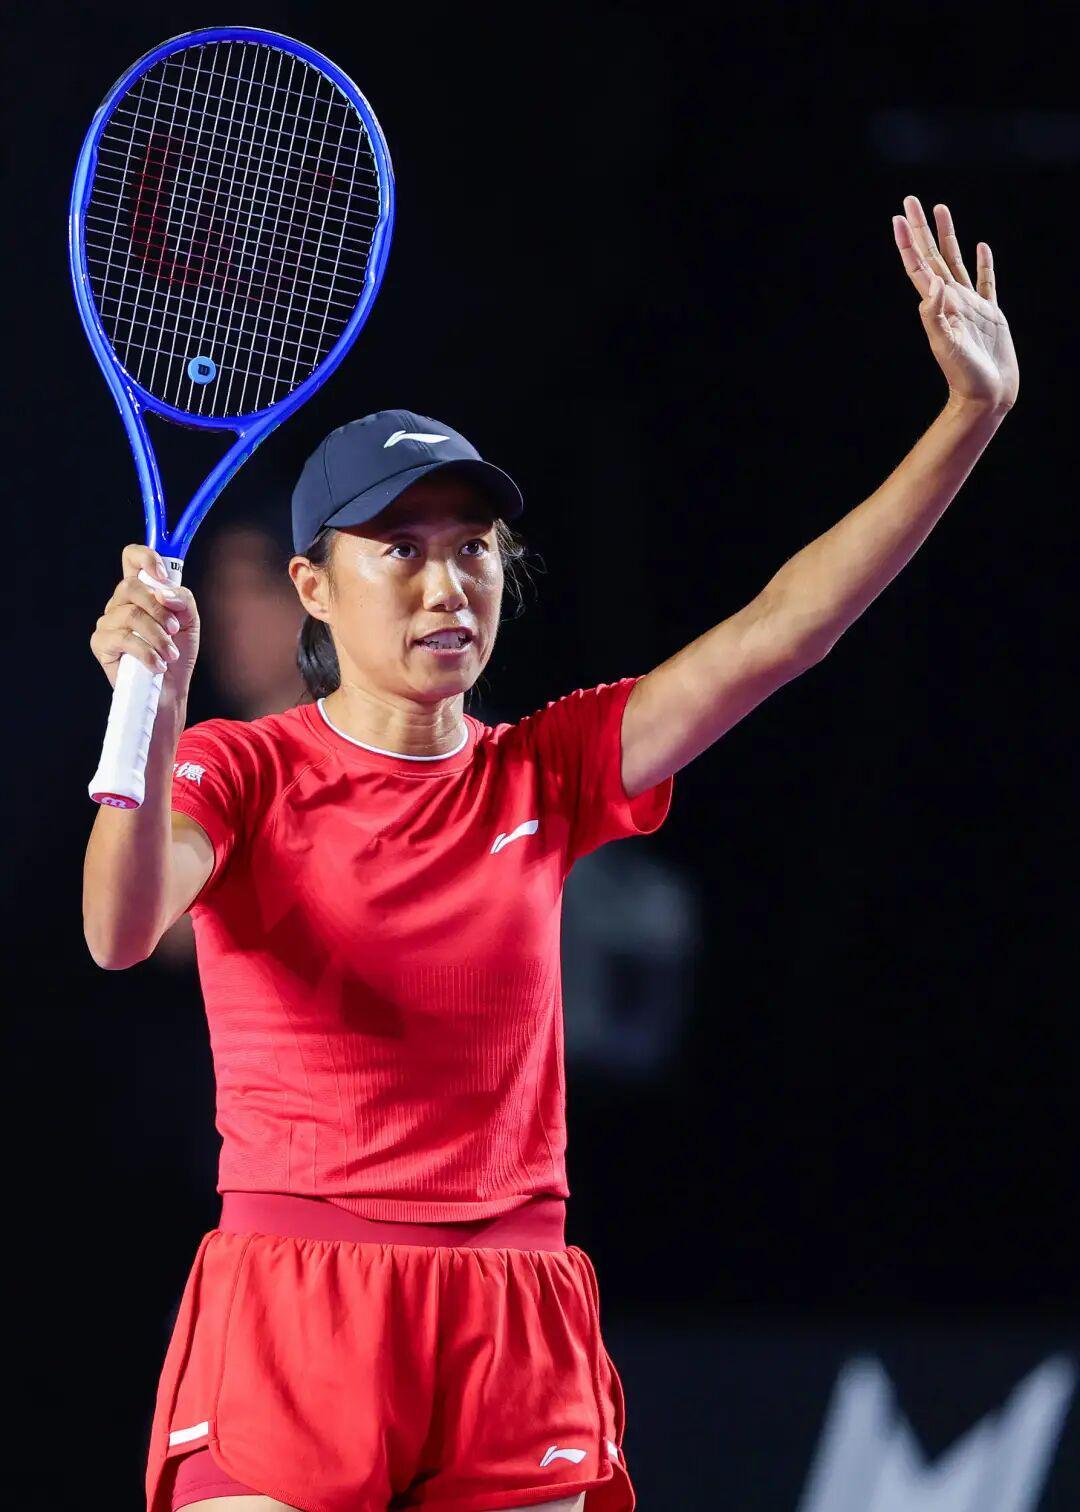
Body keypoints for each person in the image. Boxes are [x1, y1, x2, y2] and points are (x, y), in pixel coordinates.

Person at [83, 196, 1018, 1512]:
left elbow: (783, 631)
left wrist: (967, 417)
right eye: (398, 550)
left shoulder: (550, 765)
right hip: (297, 1300)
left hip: (510, 1311)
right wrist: (153, 710)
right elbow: (119, 929)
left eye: (472, 548)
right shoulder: (241, 767)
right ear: (313, 588)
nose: (446, 585)